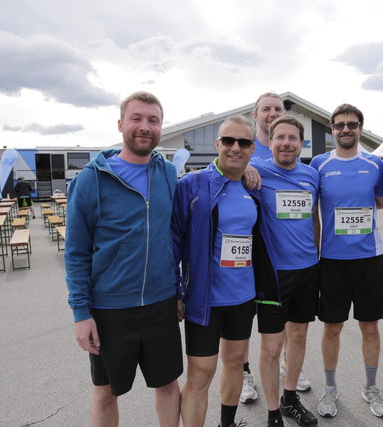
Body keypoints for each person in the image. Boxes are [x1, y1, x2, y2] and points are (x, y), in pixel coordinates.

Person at [65, 91, 182, 426]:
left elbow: (174, 236)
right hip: (110, 309)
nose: (145, 127)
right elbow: (76, 252)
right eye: (137, 118)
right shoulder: (91, 179)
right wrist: (81, 313)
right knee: (105, 393)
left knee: (168, 386)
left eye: (153, 120)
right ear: (120, 124)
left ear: (160, 128)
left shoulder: (168, 173)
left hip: (161, 303)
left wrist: (177, 290)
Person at [171, 115, 267, 427]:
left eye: (243, 142)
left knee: (236, 363)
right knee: (201, 374)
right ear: (217, 144)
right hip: (204, 299)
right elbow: (173, 241)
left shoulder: (254, 187)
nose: (235, 147)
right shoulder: (191, 185)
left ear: (252, 149)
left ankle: (227, 424)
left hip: (243, 297)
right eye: (228, 141)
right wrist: (176, 290)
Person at [310, 104, 383, 419]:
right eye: (340, 124)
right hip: (332, 261)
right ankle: (330, 389)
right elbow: (310, 211)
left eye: (352, 124)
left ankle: (371, 387)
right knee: (332, 328)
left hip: (369, 259)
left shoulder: (375, 164)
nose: (346, 129)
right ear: (332, 129)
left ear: (360, 128)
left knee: (370, 327)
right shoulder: (319, 164)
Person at [240, 92, 313, 406]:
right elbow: (222, 167)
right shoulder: (252, 159)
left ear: (301, 142)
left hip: (306, 267)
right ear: (256, 116)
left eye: (278, 108)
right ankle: (244, 375)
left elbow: (315, 215)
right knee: (251, 330)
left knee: (297, 332)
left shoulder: (311, 173)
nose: (272, 113)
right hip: (263, 266)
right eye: (266, 109)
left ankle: (289, 383)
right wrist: (243, 167)